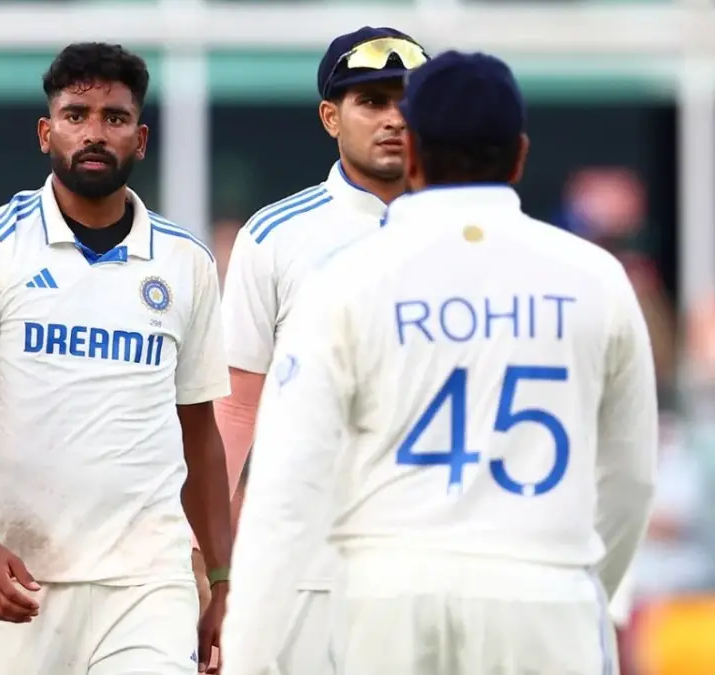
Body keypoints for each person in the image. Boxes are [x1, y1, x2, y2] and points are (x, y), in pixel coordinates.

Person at [221, 50, 658, 675]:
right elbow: (633, 478)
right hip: (542, 589)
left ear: (415, 153)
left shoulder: (345, 282)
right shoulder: (596, 277)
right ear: (520, 155)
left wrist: (249, 655)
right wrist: (583, 579)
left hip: (389, 595)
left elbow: (282, 495)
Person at [0, 42, 233, 674]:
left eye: (114, 118)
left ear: (140, 139)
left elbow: (199, 433)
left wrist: (224, 580)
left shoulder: (185, 263)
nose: (94, 132)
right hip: (19, 579)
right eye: (76, 114)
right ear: (46, 132)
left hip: (147, 584)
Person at [215, 25, 428, 673]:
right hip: (306, 566)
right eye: (371, 102)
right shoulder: (277, 236)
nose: (393, 118)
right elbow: (235, 406)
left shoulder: (468, 230)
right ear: (331, 117)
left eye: (406, 100)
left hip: (432, 559)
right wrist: (218, 565)